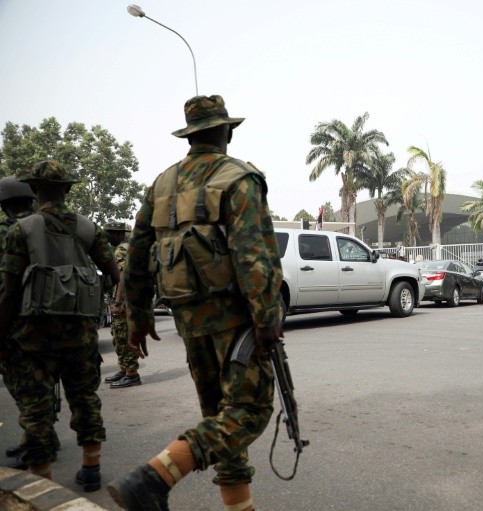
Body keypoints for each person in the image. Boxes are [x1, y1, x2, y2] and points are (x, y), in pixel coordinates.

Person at [109, 95, 284, 511]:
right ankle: (155, 475)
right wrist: (266, 318)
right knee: (250, 412)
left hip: (189, 319)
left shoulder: (162, 184)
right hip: (235, 321)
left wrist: (137, 316)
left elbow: (136, 256)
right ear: (226, 131)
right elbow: (252, 254)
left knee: (220, 420)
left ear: (190, 135)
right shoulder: (239, 178)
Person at [0, 161, 119, 490]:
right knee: (85, 397)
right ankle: (91, 467)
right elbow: (114, 274)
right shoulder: (88, 227)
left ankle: (43, 482)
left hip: (33, 336)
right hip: (81, 332)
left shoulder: (20, 230)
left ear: (35, 190)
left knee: (36, 407)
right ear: (67, 189)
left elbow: (10, 292)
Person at [0, 176, 60, 471]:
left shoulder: (6, 231)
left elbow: (6, 286)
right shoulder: (44, 225)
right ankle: (38, 439)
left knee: (23, 386)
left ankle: (38, 443)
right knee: (44, 384)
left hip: (15, 320)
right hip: (49, 315)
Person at [103, 221, 142, 389]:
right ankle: (125, 369)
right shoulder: (124, 248)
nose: (108, 236)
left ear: (119, 234)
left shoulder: (121, 250)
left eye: (110, 233)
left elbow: (122, 276)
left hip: (125, 301)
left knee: (124, 336)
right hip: (128, 300)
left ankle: (132, 374)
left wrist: (118, 302)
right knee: (118, 336)